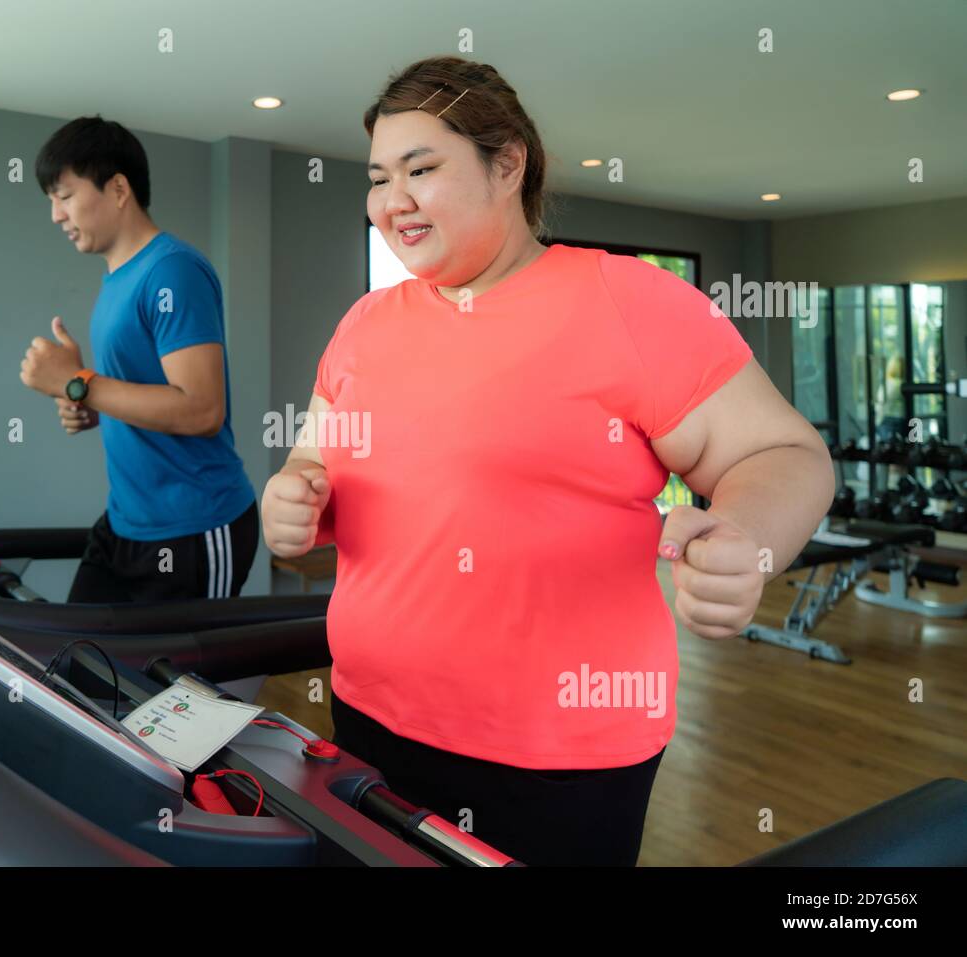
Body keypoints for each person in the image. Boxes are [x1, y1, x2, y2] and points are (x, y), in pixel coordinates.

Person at [261, 56, 834, 865]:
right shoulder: (364, 322)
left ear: (507, 165)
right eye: (379, 177)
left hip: (558, 756)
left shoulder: (628, 301)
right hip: (370, 720)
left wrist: (747, 535)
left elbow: (789, 453)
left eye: (422, 169)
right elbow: (311, 468)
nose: (393, 201)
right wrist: (291, 499)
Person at [20, 116, 258, 603]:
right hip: (125, 522)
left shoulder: (171, 271)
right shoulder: (117, 279)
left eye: (64, 196)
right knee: (72, 669)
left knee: (182, 682)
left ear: (118, 188)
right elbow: (141, 392)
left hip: (194, 526)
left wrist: (79, 382)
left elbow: (201, 410)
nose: (55, 216)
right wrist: (85, 401)